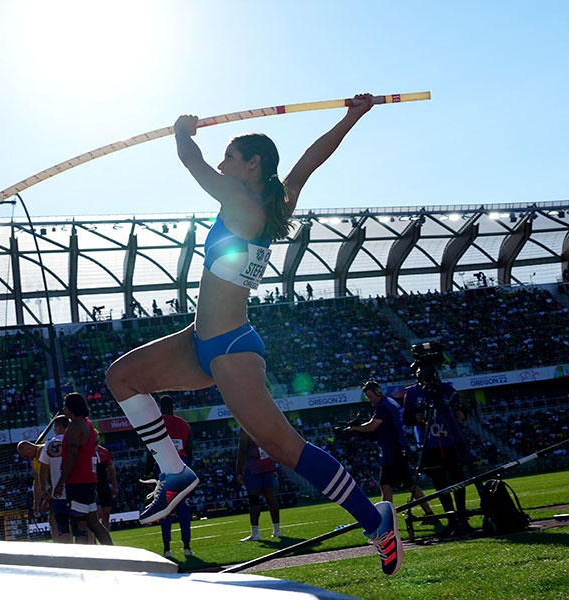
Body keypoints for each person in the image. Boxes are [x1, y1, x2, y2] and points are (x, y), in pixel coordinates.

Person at [105, 94, 403, 575]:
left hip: (230, 349)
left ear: (252, 165)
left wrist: (183, 131)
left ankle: (376, 522)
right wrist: (352, 116)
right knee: (122, 377)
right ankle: (173, 471)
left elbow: (191, 161)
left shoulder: (241, 200)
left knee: (286, 448)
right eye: (223, 158)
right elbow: (308, 161)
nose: (224, 165)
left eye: (230, 157)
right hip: (198, 339)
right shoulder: (274, 198)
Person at [403, 368, 475, 537]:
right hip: (430, 444)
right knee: (440, 482)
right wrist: (417, 418)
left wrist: (461, 412)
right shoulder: (412, 392)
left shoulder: (447, 388)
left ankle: (462, 517)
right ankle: (450, 518)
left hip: (452, 440)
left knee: (458, 479)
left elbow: (462, 409)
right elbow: (406, 418)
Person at [347, 381, 435, 515]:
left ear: (377, 393)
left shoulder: (383, 407)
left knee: (392, 484)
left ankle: (389, 518)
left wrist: (354, 429)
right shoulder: (390, 402)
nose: (369, 400)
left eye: (370, 396)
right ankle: (427, 513)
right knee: (400, 484)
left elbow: (372, 426)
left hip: (392, 450)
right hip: (395, 448)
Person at [53, 393, 113, 545]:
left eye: (65, 405)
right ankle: (112, 552)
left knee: (78, 522)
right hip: (87, 478)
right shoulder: (86, 423)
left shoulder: (75, 425)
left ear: (72, 407)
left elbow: (73, 455)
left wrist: (61, 481)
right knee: (92, 521)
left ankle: (84, 558)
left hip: (78, 480)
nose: (63, 409)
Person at [144, 395, 194, 559]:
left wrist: (148, 470)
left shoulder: (157, 424)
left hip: (163, 466)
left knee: (165, 508)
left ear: (159, 407)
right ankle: (187, 547)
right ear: (173, 406)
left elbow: (151, 450)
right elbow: (189, 448)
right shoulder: (184, 424)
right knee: (183, 509)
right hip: (181, 464)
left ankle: (167, 549)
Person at [236, 430, 282, 541]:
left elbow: (242, 451)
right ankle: (277, 530)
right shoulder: (261, 424)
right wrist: (273, 466)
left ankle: (255, 533)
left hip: (253, 468)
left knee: (254, 501)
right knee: (270, 498)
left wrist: (238, 471)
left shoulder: (245, 427)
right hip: (267, 465)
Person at [38, 415, 72, 543]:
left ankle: (69, 555)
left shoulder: (49, 444)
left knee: (63, 525)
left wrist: (43, 488)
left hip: (59, 492)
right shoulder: (76, 441)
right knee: (82, 522)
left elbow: (43, 469)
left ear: (58, 427)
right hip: (78, 486)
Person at [95, 441, 119, 531]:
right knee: (97, 513)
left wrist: (114, 486)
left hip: (104, 485)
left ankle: (106, 538)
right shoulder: (87, 451)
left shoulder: (104, 451)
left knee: (106, 514)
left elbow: (111, 468)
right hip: (93, 485)